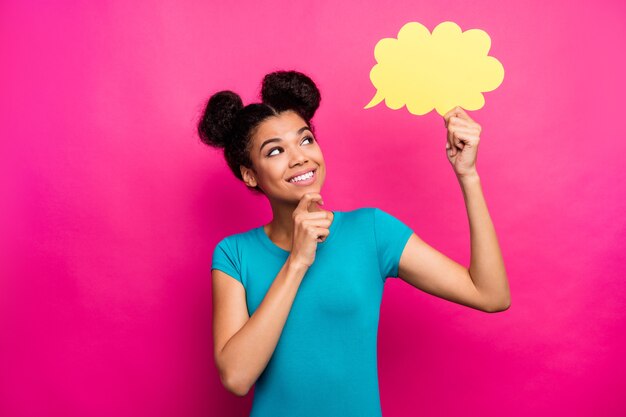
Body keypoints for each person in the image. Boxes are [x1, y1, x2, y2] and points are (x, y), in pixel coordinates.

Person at [198, 70, 511, 416]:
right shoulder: (233, 254)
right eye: (275, 151)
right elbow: (237, 377)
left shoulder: (372, 231)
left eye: (305, 140)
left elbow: (490, 295)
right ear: (250, 174)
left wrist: (468, 175)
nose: (300, 157)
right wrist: (297, 262)